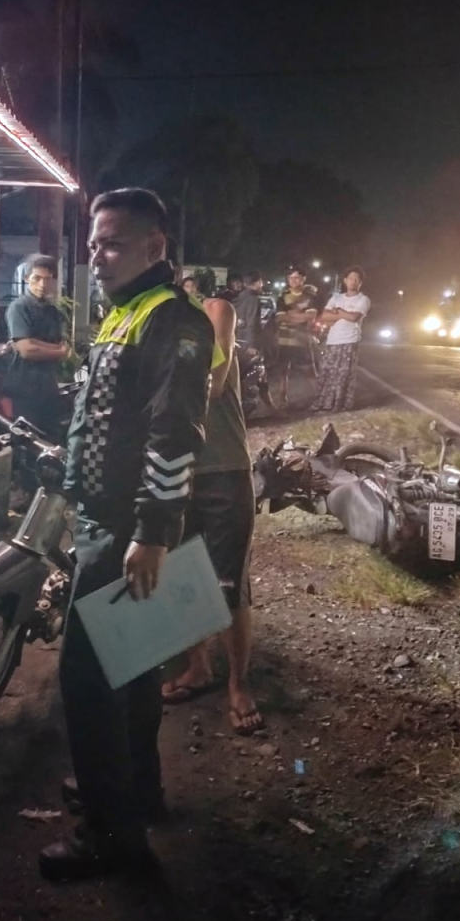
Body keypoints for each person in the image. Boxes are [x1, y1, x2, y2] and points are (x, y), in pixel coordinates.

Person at [42, 188, 215, 881]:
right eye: (93, 243)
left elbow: (175, 434)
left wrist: (153, 530)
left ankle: (110, 835)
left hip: (127, 532)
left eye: (112, 242)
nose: (96, 256)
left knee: (86, 681)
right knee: (136, 670)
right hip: (108, 521)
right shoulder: (124, 314)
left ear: (154, 247)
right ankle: (135, 793)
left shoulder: (173, 320)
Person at [160, 269, 262, 735]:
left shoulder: (214, 311)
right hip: (176, 472)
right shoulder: (151, 329)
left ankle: (238, 684)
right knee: (183, 575)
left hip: (223, 470)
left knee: (228, 582)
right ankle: (199, 666)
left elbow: (214, 382)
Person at [3, 254, 71, 438]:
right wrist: (57, 351)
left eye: (47, 279)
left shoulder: (53, 311)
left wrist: (39, 345)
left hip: (48, 387)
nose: (42, 284)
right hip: (24, 389)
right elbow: (26, 350)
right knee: (28, 441)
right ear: (27, 279)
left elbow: (64, 346)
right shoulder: (19, 308)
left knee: (53, 439)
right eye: (37, 278)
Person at [311, 266, 371, 413]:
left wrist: (337, 312)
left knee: (344, 374)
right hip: (332, 340)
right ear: (345, 281)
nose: (353, 282)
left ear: (360, 282)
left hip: (350, 341)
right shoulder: (336, 297)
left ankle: (340, 404)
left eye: (356, 279)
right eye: (350, 278)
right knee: (326, 372)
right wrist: (342, 314)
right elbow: (325, 316)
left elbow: (354, 317)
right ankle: (323, 402)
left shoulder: (363, 300)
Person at [273, 266, 322, 410]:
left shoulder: (310, 297)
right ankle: (282, 400)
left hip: (302, 340)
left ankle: (320, 398)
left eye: (297, 278)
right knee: (283, 371)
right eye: (291, 278)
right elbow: (280, 317)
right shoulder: (282, 296)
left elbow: (310, 316)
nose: (293, 281)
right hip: (284, 339)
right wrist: (299, 316)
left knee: (310, 371)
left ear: (303, 279)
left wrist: (290, 316)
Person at [233, 271, 264, 348]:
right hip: (247, 342)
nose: (262, 285)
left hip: (237, 338)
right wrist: (252, 345)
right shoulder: (253, 299)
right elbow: (251, 323)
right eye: (261, 282)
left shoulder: (240, 296)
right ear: (257, 283)